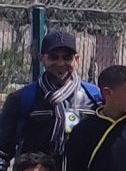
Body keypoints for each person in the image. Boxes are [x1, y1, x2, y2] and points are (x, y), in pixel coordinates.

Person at [0, 29, 97, 159]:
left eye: (67, 57)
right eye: (53, 57)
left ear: (76, 59)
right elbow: (3, 151)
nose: (60, 63)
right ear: (41, 58)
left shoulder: (94, 98)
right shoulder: (21, 99)